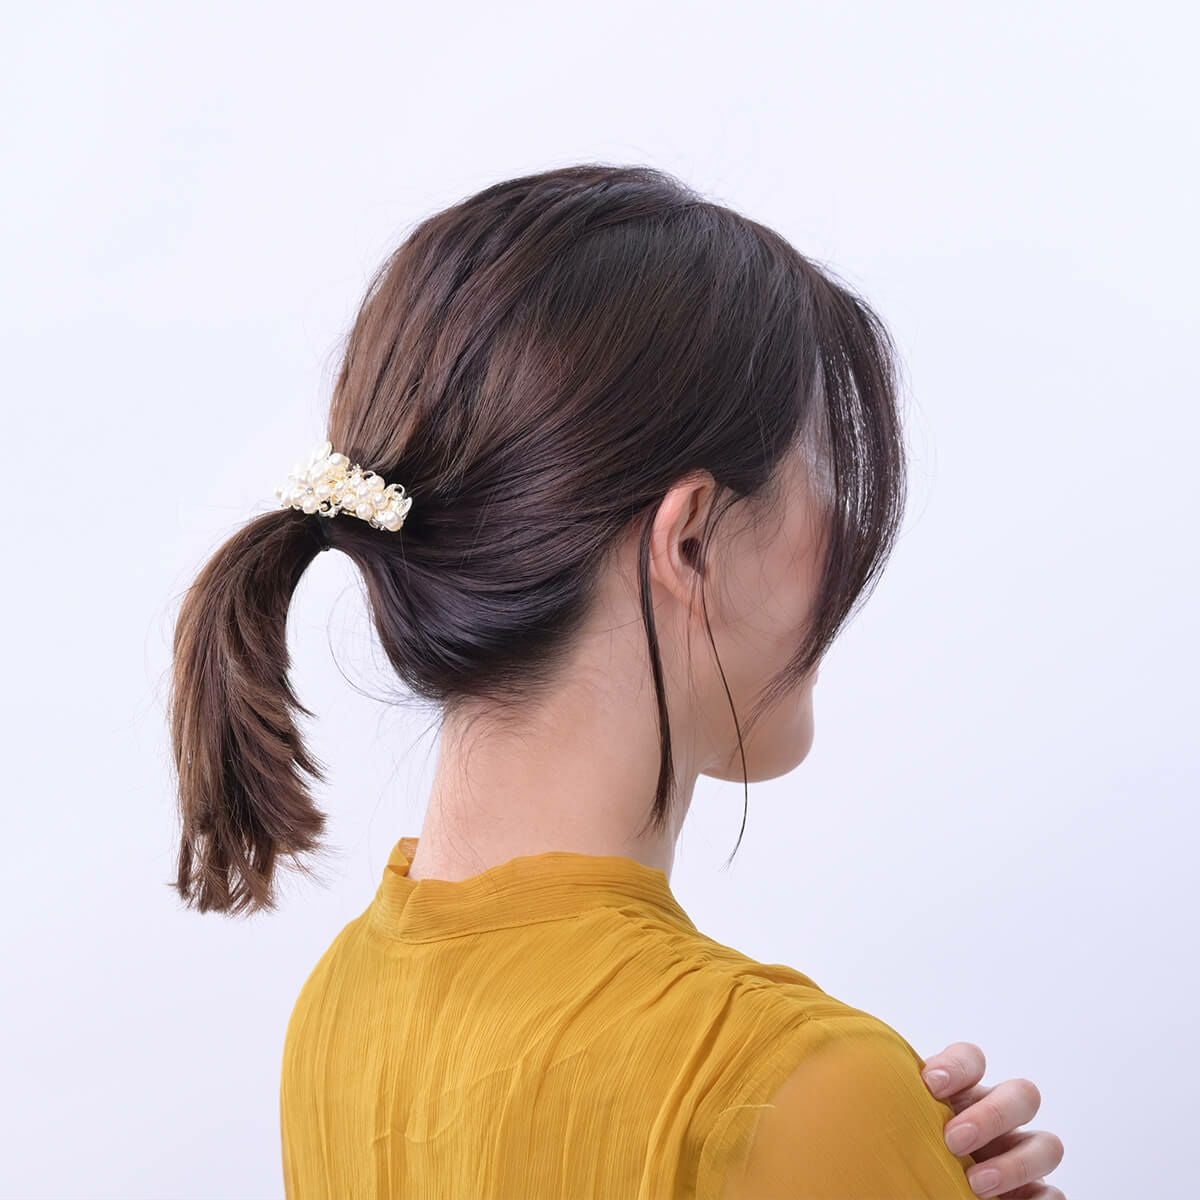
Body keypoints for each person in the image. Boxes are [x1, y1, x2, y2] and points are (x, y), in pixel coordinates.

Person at [168, 163, 1066, 1198]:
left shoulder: (336, 1012)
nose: (847, 534)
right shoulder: (799, 1085)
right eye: (824, 470)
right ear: (690, 542)